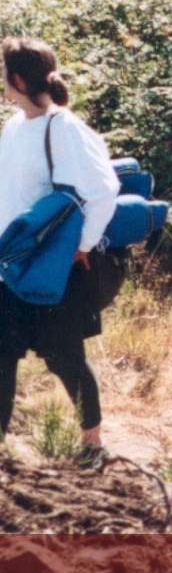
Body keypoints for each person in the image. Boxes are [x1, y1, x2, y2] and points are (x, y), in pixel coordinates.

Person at [0, 38, 120, 466]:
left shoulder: (63, 127)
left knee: (64, 355)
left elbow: (103, 189)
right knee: (1, 356)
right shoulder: (14, 125)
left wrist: (82, 246)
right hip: (10, 262)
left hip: (55, 265)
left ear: (16, 78)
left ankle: (93, 443)